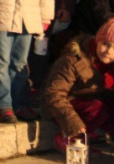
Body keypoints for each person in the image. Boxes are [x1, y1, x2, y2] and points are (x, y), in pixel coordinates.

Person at [43, 17, 114, 152]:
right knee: (98, 109)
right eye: (105, 44)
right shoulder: (74, 59)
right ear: (97, 40)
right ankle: (68, 138)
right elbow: (54, 94)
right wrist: (73, 123)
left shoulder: (110, 65)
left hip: (90, 101)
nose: (108, 51)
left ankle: (90, 132)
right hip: (62, 107)